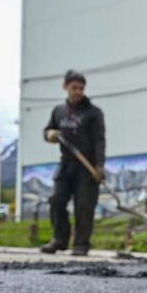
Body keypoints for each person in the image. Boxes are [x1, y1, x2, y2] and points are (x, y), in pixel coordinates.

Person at [40, 70, 106, 256]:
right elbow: (48, 130)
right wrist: (49, 134)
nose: (78, 92)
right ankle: (59, 240)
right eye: (74, 88)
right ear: (65, 87)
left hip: (87, 167)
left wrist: (99, 166)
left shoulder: (93, 113)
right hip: (66, 163)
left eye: (81, 88)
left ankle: (81, 244)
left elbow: (99, 140)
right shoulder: (59, 111)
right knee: (56, 200)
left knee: (84, 206)